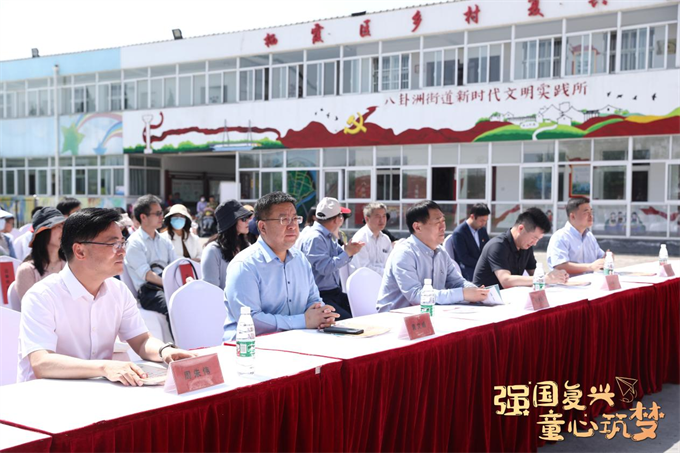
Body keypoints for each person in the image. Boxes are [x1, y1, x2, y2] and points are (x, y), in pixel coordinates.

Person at [18, 208, 194, 384]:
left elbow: (142, 340)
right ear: (80, 251)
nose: (122, 252)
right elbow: (42, 363)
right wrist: (104, 367)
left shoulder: (119, 291)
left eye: (122, 243)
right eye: (113, 245)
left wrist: (165, 351)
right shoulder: (42, 296)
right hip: (48, 394)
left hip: (100, 389)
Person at [223, 192, 339, 340]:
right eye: (284, 219)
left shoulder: (300, 259)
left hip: (297, 341)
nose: (292, 226)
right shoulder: (245, 265)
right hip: (250, 347)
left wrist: (322, 315)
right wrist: (303, 321)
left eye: (295, 219)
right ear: (262, 227)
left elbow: (313, 300)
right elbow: (250, 320)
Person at [377, 201, 489, 312]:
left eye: (443, 221)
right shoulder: (404, 253)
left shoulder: (441, 252)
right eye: (437, 222)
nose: (443, 227)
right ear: (417, 227)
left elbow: (457, 282)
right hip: (395, 317)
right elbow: (416, 296)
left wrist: (476, 291)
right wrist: (463, 294)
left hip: (429, 314)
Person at [299, 197, 365, 319]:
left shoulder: (326, 235)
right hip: (319, 296)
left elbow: (341, 255)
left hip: (332, 292)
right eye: (341, 216)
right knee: (349, 321)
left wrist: (348, 251)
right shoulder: (316, 238)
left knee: (363, 312)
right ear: (336, 219)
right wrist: (348, 252)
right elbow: (325, 268)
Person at [473, 208, 569, 289]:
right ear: (521, 228)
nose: (535, 243)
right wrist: (545, 278)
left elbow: (535, 273)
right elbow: (506, 281)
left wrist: (556, 276)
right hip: (484, 300)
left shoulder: (526, 246)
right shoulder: (497, 245)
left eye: (538, 240)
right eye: (534, 238)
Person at [124, 195, 178, 318]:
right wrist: (170, 284)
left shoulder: (165, 240)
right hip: (149, 291)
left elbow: (175, 266)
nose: (161, 217)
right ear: (143, 217)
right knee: (173, 307)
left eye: (161, 213)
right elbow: (147, 275)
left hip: (167, 284)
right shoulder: (134, 242)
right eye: (157, 213)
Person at [15, 207, 67, 301]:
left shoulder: (69, 265)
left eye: (64, 226)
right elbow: (31, 305)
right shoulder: (27, 270)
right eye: (59, 226)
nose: (64, 231)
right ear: (44, 232)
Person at [547, 198, 606, 275]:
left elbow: (600, 257)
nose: (591, 216)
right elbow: (560, 266)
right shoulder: (560, 237)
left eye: (591, 212)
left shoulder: (589, 236)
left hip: (591, 281)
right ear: (572, 216)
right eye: (586, 212)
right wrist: (590, 267)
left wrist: (606, 258)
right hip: (569, 282)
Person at [201, 200, 253, 289]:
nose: (248, 221)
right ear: (231, 222)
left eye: (248, 217)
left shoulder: (247, 246)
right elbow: (211, 289)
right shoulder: (212, 251)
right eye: (244, 219)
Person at [348, 202, 392, 276]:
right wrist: (388, 273)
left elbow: (390, 263)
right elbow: (364, 269)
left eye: (384, 216)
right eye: (378, 217)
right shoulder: (360, 239)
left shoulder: (386, 239)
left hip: (382, 279)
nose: (382, 220)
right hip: (363, 280)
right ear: (367, 219)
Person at [451, 203, 491, 281]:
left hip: (482, 266)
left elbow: (487, 248)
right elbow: (464, 258)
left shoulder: (482, 230)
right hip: (467, 269)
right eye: (482, 221)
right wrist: (482, 264)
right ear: (472, 217)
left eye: (486, 221)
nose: (484, 224)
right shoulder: (459, 233)